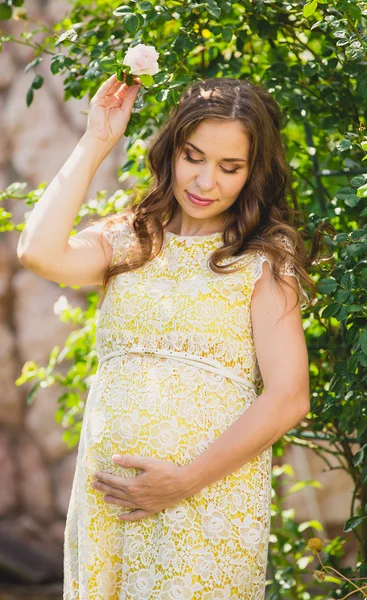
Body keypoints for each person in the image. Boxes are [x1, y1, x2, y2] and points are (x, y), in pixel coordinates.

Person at [17, 72, 313, 599]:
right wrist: (97, 140)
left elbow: (288, 396)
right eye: (193, 157)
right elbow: (38, 252)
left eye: (229, 167)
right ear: (171, 149)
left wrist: (184, 481)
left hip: (205, 504)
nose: (204, 182)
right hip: (109, 507)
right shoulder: (131, 240)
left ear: (253, 174)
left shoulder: (262, 261)